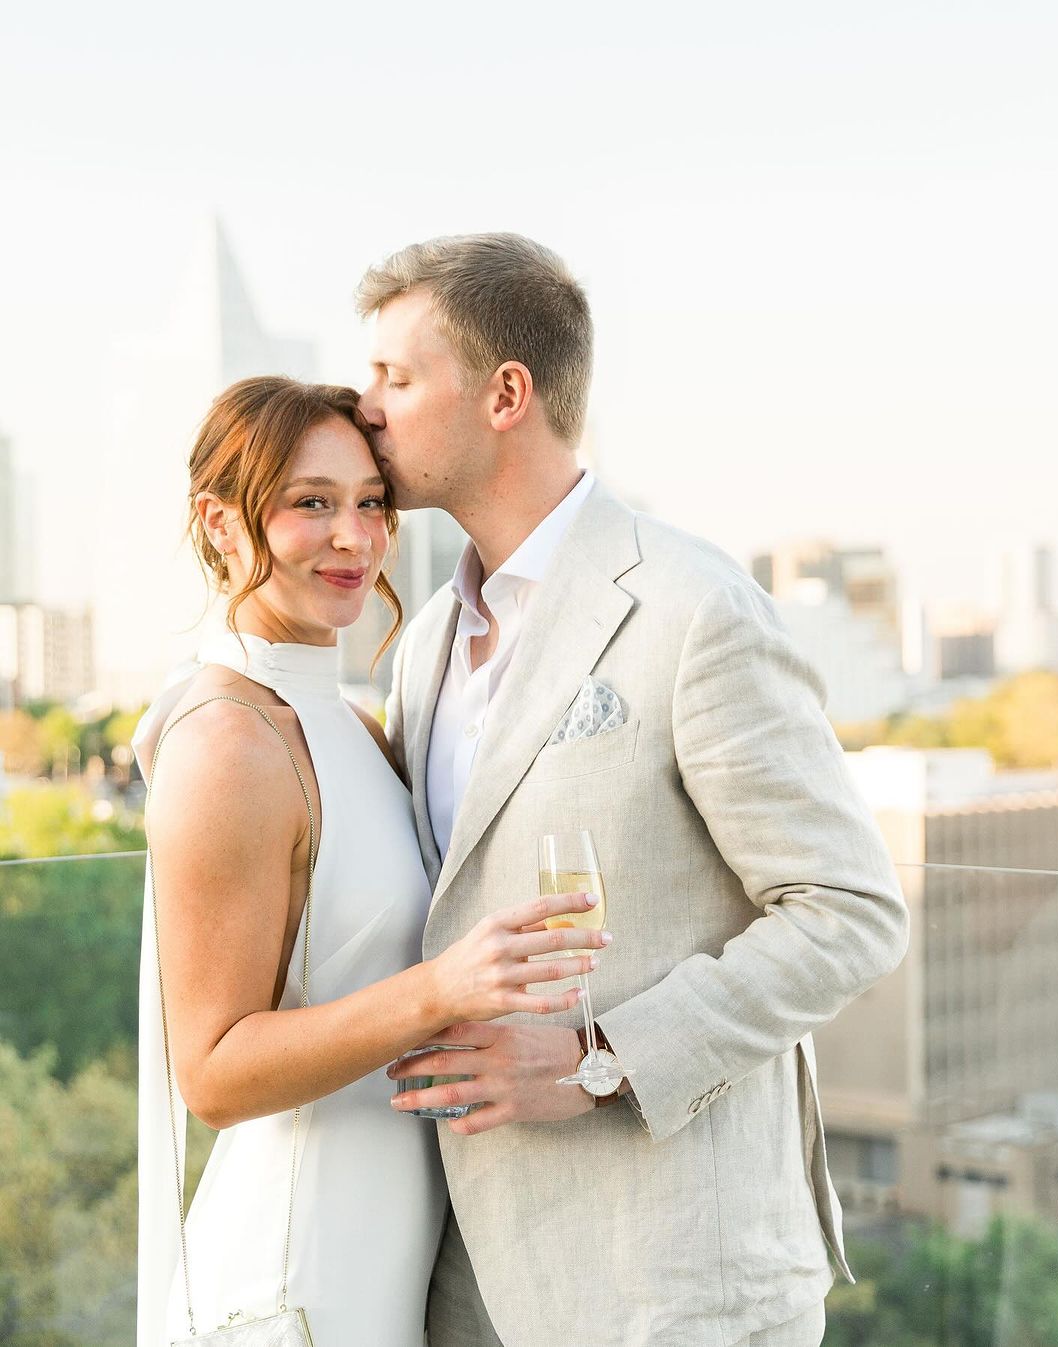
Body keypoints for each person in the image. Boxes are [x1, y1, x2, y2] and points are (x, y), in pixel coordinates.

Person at [355, 234, 910, 1347]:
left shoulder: (694, 608)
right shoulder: (420, 645)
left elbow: (851, 913)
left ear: (506, 393)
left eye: (395, 377)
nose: (364, 406)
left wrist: (598, 1059)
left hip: (675, 1289)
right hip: (469, 1283)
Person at [132, 376, 608, 1347]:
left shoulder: (347, 720)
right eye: (310, 503)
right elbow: (214, 1074)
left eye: (371, 502)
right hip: (291, 1289)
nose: (354, 536)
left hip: (380, 1278)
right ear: (219, 523)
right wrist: (443, 990)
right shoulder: (229, 742)